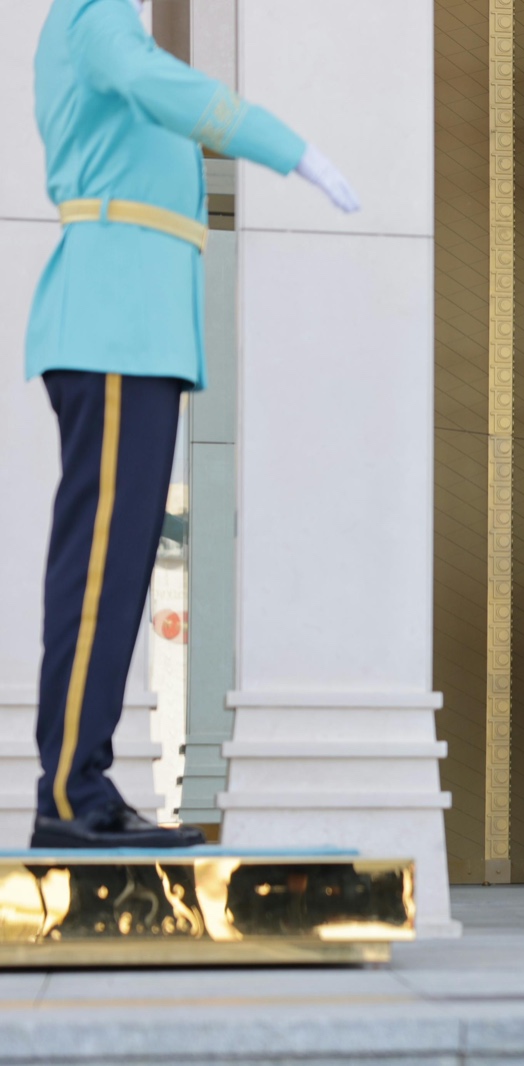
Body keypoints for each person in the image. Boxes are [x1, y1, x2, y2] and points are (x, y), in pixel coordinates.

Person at [27, 0, 358, 848]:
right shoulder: (94, 14)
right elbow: (152, 82)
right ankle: (71, 791)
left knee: (121, 568)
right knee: (101, 566)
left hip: (136, 331)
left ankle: (82, 784)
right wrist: (286, 146)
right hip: (110, 324)